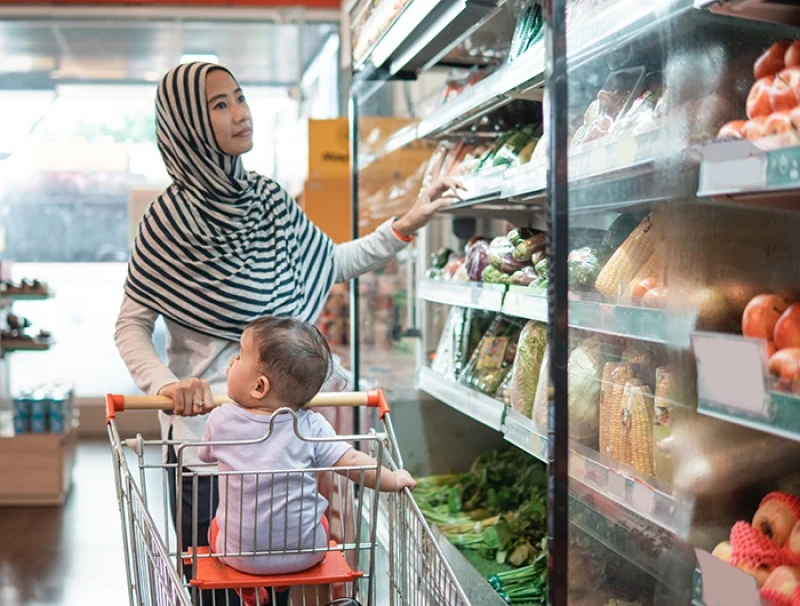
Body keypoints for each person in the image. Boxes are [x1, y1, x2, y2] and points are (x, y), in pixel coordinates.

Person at [114, 62, 463, 605]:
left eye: (240, 97)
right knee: (215, 589)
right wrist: (165, 383)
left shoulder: (270, 201)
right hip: (206, 442)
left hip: (289, 436)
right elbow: (132, 323)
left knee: (278, 580)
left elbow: (333, 259)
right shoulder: (165, 222)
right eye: (218, 104)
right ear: (184, 123)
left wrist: (410, 221)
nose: (240, 113)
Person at [192, 316, 416, 606]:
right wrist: (394, 479)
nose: (231, 363)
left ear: (259, 387)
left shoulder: (222, 419)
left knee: (215, 527)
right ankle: (284, 576)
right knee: (318, 516)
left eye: (238, 357)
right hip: (308, 553)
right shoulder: (312, 425)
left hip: (241, 557)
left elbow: (205, 456)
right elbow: (352, 461)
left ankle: (248, 589)